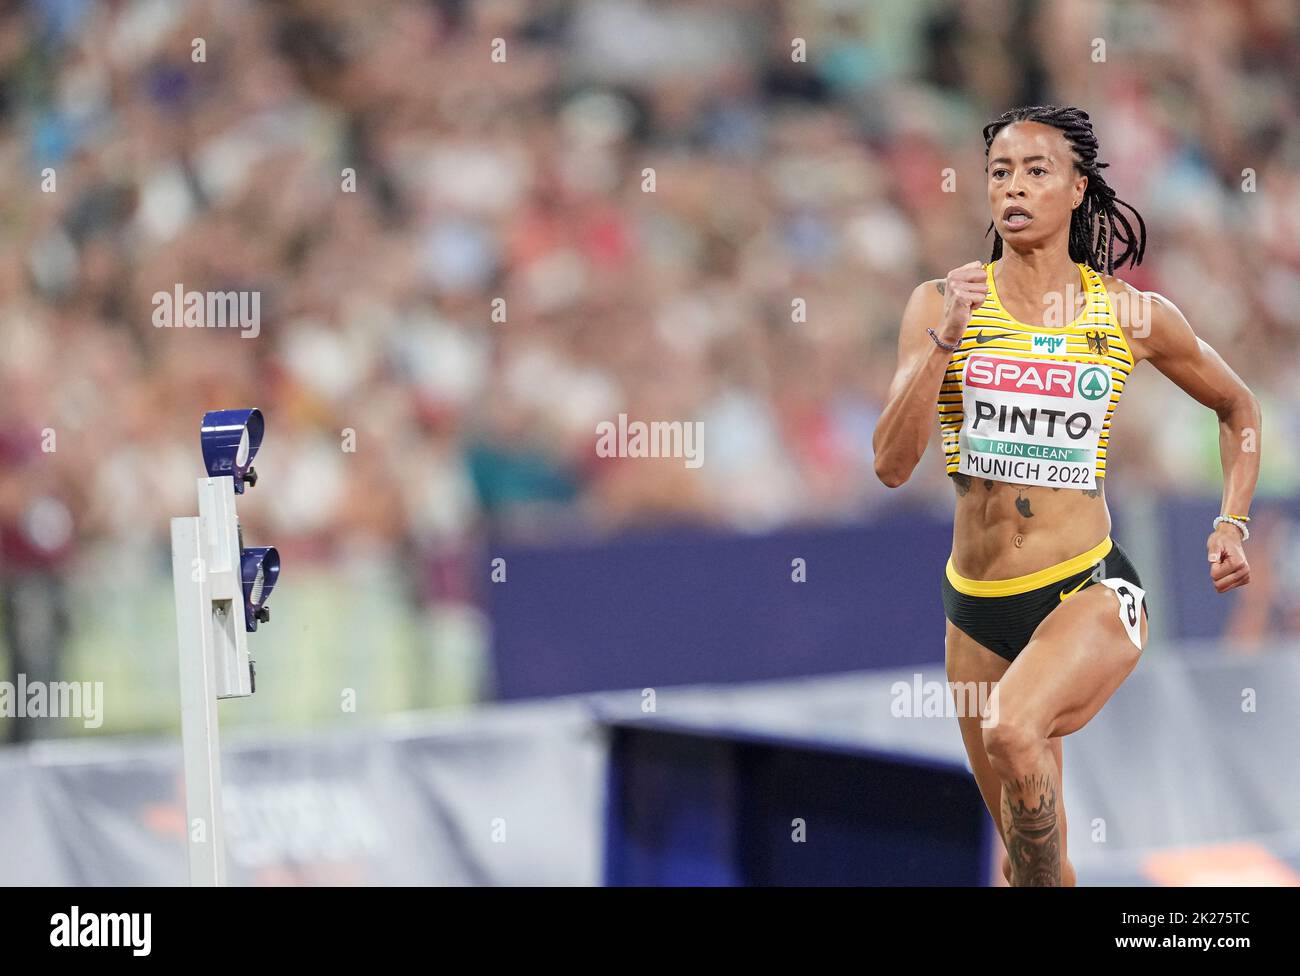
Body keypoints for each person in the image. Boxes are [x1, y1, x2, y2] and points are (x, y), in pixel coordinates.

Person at [871, 105, 1261, 886]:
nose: (1013, 188)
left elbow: (1238, 409)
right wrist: (948, 335)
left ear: (1078, 188)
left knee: (1012, 728)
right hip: (975, 609)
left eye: (1036, 171)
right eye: (999, 173)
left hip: (1086, 587)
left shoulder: (1130, 314)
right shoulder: (942, 303)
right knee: (1028, 868)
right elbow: (889, 463)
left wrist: (1231, 520)